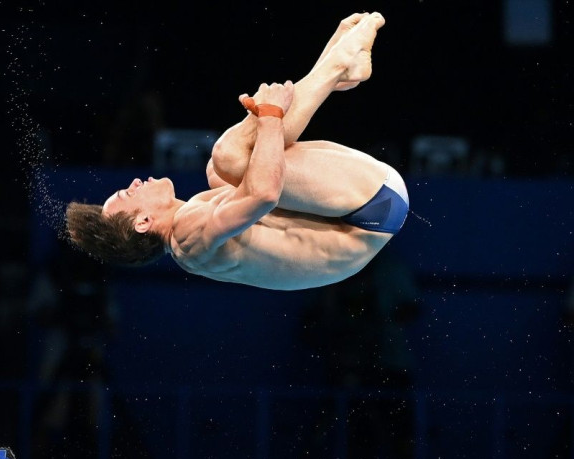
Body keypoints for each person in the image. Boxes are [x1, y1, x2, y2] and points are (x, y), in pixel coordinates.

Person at [67, 12, 408, 291]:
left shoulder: (191, 233)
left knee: (220, 170)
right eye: (131, 191)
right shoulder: (189, 234)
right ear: (143, 222)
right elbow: (263, 195)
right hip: (371, 208)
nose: (137, 180)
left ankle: (337, 70)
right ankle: (335, 67)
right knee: (229, 157)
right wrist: (270, 115)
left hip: (369, 212)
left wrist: (261, 120)